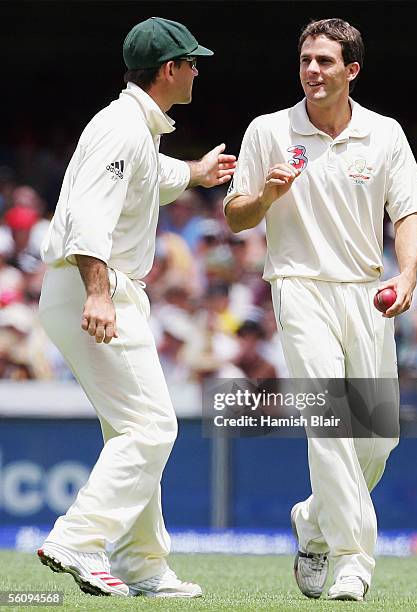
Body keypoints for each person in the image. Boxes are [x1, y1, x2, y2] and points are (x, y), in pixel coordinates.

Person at [224, 18, 417, 601]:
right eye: (306, 60)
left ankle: (314, 522)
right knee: (332, 421)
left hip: (366, 293)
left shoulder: (384, 134)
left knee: (376, 441)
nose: (312, 71)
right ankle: (352, 560)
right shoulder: (268, 130)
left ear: (351, 71)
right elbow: (235, 215)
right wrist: (266, 194)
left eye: (325, 62)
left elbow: (409, 212)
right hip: (299, 286)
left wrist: (408, 272)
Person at [37, 16, 235, 598]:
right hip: (94, 287)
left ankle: (143, 565)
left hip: (95, 287)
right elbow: (87, 217)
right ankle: (78, 537)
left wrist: (197, 173)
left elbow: (151, 177)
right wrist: (99, 292)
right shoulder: (122, 129)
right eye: (192, 62)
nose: (198, 70)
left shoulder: (136, 130)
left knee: (132, 429)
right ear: (169, 70)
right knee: (152, 427)